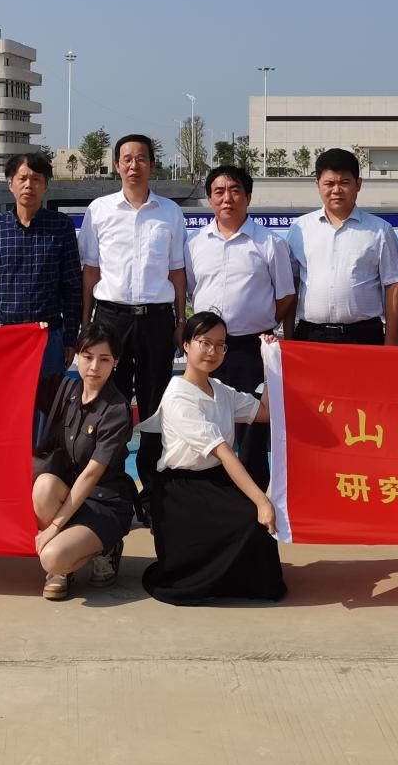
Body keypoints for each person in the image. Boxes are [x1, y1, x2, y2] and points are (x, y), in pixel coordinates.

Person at [139, 311, 286, 605]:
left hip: (215, 480)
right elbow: (223, 451)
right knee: (251, 517)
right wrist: (261, 500)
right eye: (204, 342)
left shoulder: (220, 390)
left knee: (259, 528)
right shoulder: (178, 396)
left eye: (220, 345)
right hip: (181, 489)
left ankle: (236, 579)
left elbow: (265, 413)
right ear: (186, 345)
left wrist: (269, 364)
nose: (212, 351)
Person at [79, 133, 188, 483]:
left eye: (141, 159)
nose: (133, 166)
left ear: (152, 165)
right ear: (116, 165)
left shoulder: (170, 212)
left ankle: (152, 486)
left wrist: (181, 320)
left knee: (155, 402)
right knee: (111, 400)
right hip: (111, 319)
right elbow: (91, 270)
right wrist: (86, 322)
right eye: (126, 159)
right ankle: (111, 483)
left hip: (156, 320)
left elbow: (177, 271)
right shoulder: (99, 210)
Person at [185, 163, 294, 484]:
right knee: (207, 421)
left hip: (250, 349)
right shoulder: (194, 243)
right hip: (206, 350)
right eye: (219, 192)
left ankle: (255, 495)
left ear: (248, 196)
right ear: (209, 199)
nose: (227, 198)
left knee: (251, 427)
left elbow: (286, 296)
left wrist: (260, 322)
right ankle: (210, 492)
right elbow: (191, 290)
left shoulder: (270, 243)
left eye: (235, 191)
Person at [32, 328, 136, 598]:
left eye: (104, 359)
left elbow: (90, 476)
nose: (94, 367)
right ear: (77, 356)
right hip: (66, 493)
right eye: (88, 357)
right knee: (43, 485)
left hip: (103, 503)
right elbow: (18, 381)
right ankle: (63, 568)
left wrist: (53, 529)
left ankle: (106, 548)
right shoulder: (63, 389)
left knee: (50, 557)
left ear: (116, 362)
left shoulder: (117, 410)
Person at [0, 151, 82, 421]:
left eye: (36, 179)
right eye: (22, 178)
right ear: (10, 183)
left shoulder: (60, 226)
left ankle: (41, 451)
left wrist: (71, 338)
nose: (29, 185)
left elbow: (72, 285)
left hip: (48, 336)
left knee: (46, 411)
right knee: (4, 408)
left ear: (45, 185)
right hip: (5, 336)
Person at [285, 148, 398, 345]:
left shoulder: (380, 230)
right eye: (329, 183)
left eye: (344, 182)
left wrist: (391, 339)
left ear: (358, 184)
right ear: (318, 185)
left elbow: (393, 284)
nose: (336, 190)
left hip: (363, 336)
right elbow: (291, 284)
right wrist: (289, 338)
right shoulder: (300, 228)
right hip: (311, 336)